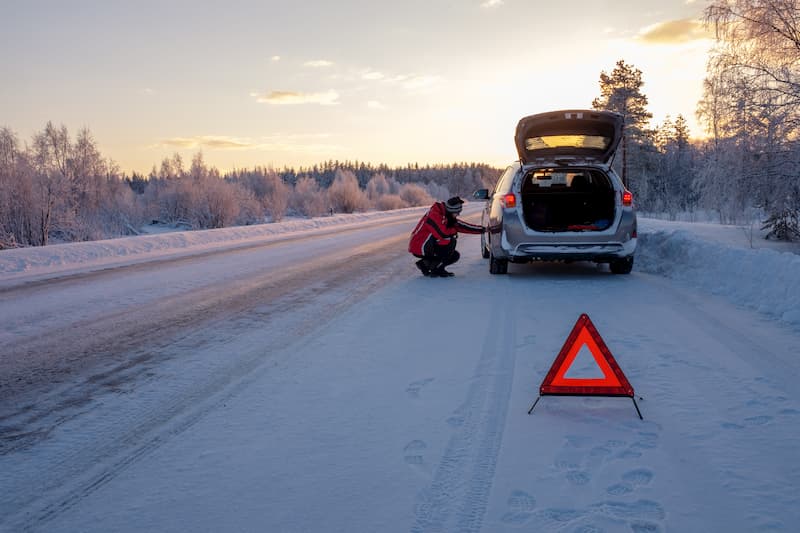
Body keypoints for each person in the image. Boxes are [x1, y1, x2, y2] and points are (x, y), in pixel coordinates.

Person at [408, 196, 485, 277]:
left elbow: (461, 226)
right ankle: (437, 269)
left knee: (454, 255)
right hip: (419, 246)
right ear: (451, 210)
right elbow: (443, 234)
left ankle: (425, 264)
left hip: (426, 244)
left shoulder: (445, 214)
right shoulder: (434, 215)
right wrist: (454, 232)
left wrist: (482, 229)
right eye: (457, 212)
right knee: (450, 241)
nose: (458, 214)